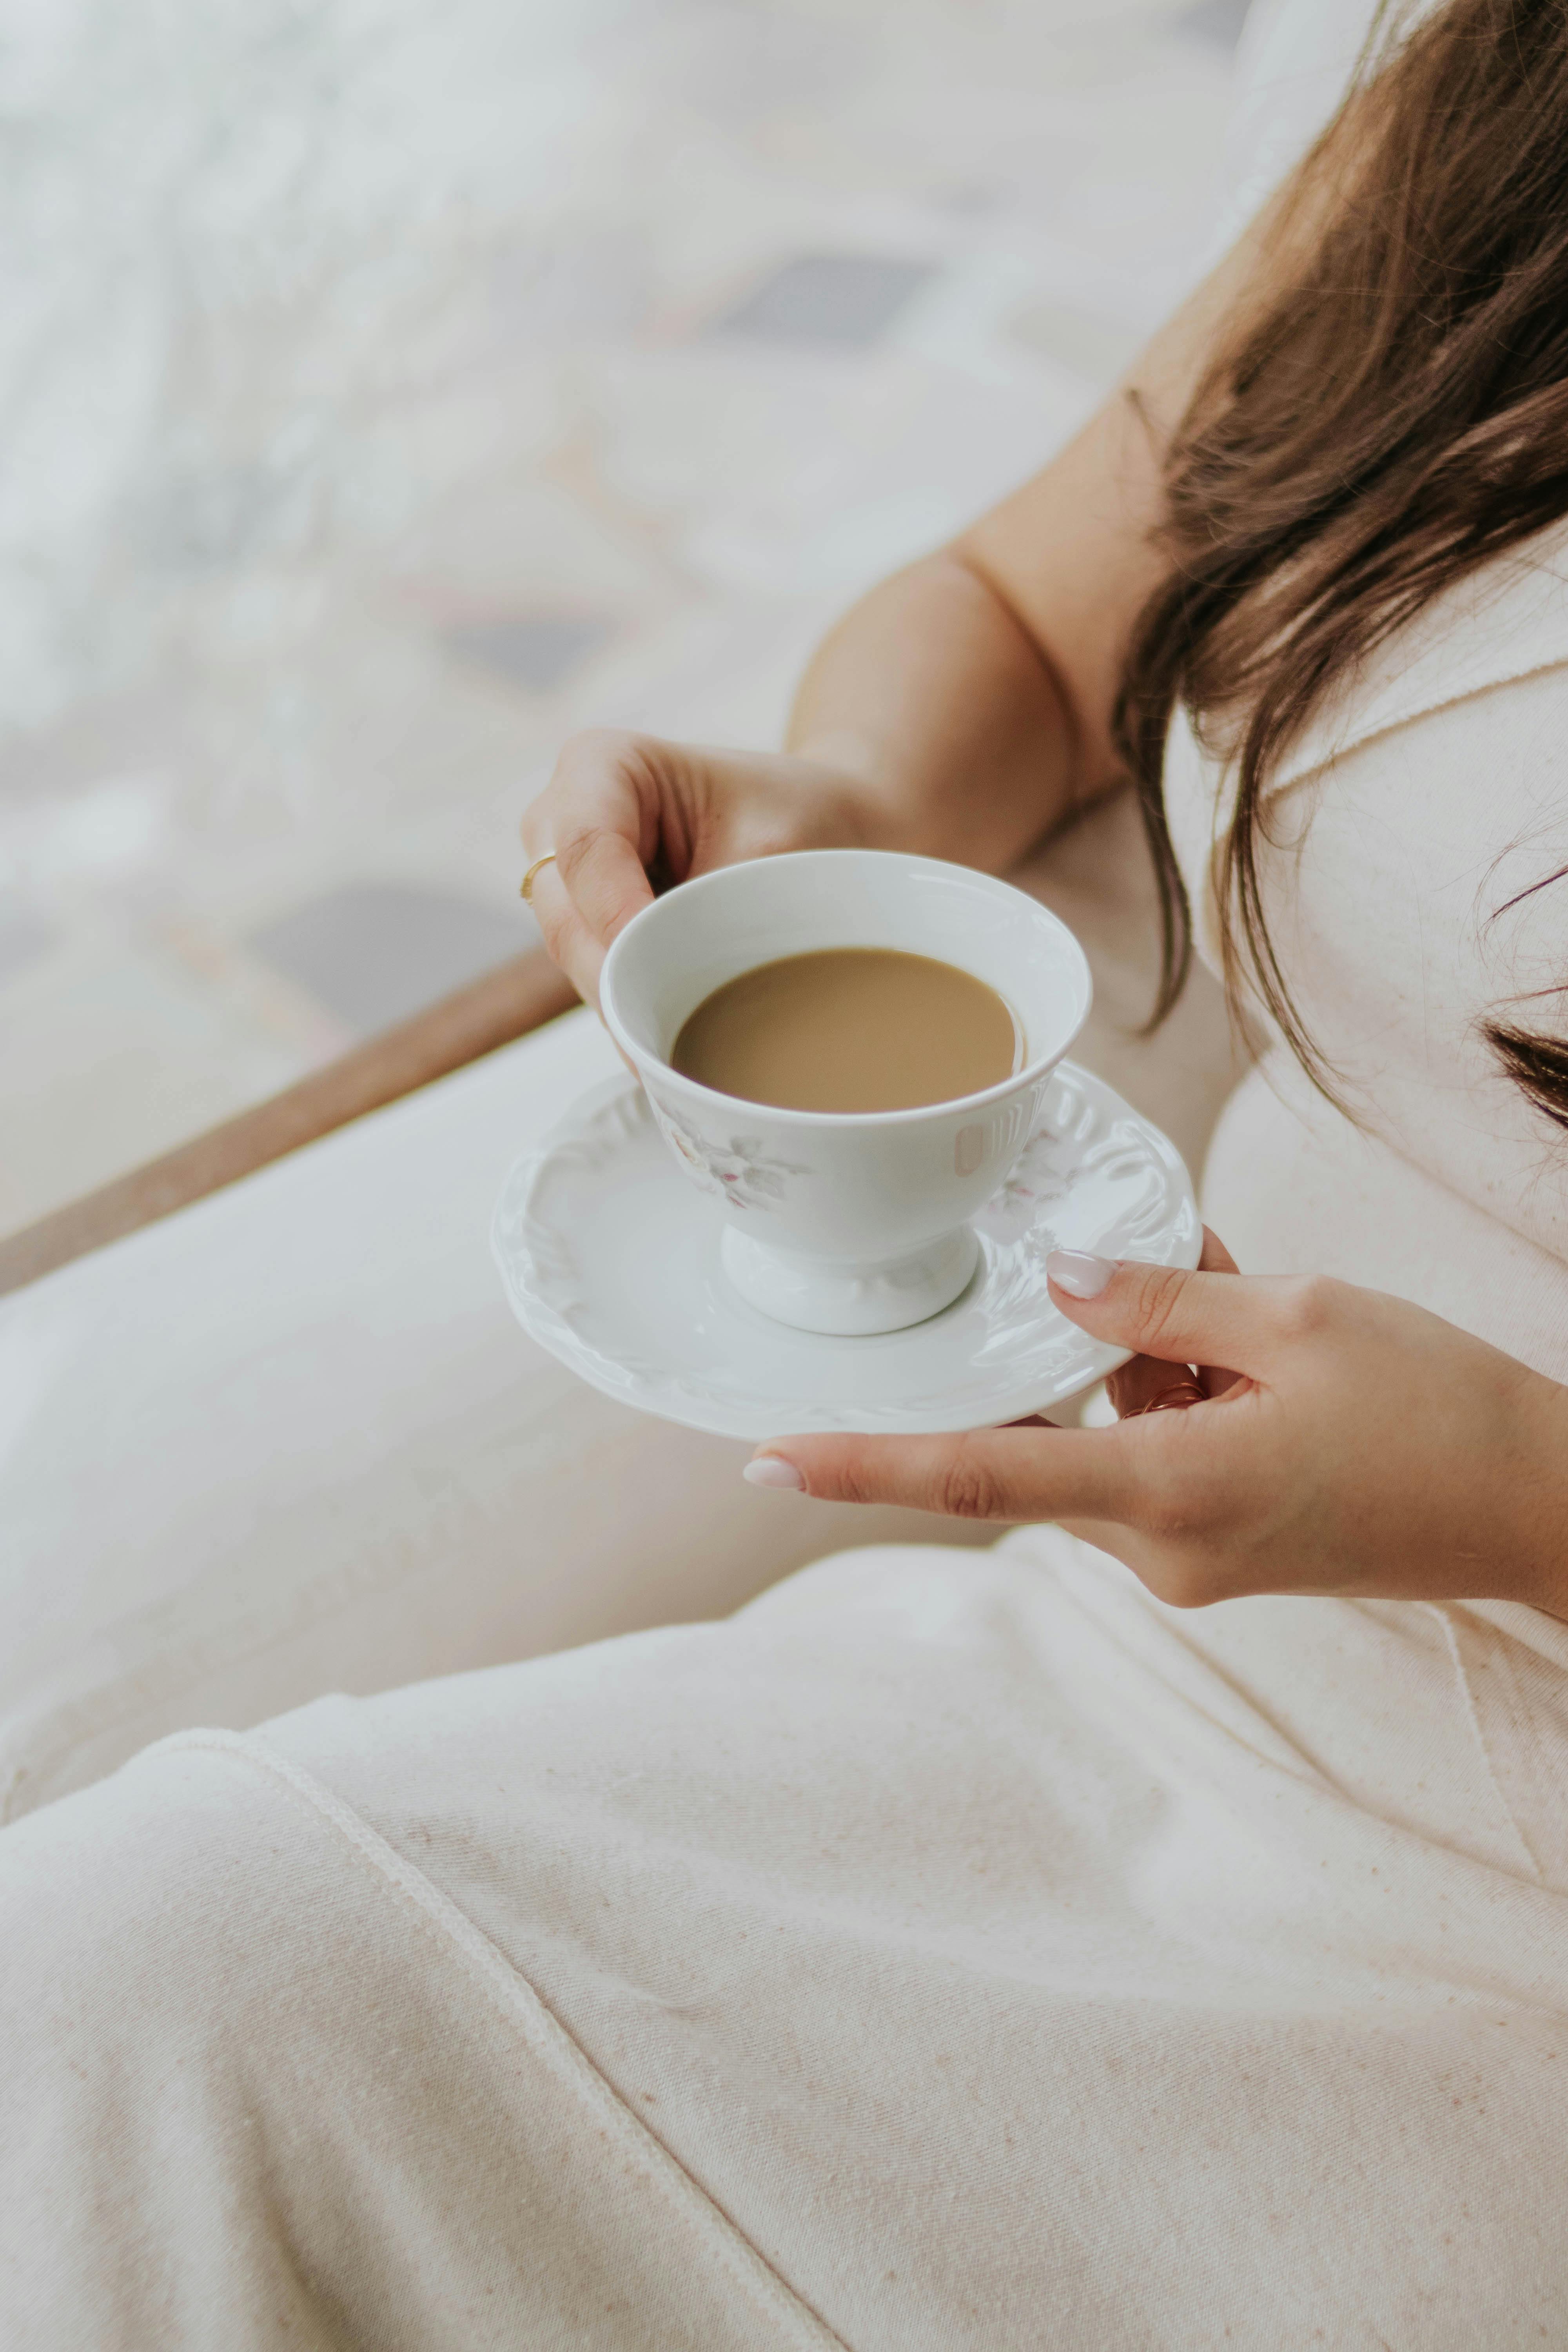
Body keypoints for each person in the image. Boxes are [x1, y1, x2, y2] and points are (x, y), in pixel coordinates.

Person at [4, 0, 1567, 2343]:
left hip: (1498, 1931)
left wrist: (1523, 1495)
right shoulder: (1503, 95)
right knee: (136, 1984)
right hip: (1162, 1694)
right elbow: (1046, 605)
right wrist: (845, 810)